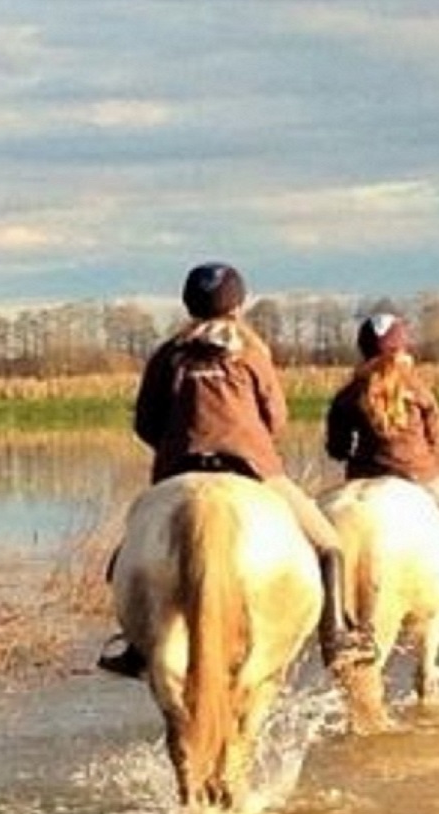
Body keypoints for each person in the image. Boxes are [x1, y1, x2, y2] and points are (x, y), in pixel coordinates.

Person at [98, 262, 375, 679]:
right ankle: (336, 637)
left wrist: (178, 450)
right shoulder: (252, 352)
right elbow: (276, 418)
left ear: (188, 304)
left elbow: (145, 423)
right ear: (238, 305)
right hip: (253, 471)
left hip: (180, 471)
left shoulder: (167, 354)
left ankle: (138, 647)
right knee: (329, 546)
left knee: (123, 558)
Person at [324, 311, 439, 570]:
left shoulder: (349, 393)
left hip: (364, 475)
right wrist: (425, 454)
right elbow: (436, 433)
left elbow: (337, 446)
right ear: (401, 347)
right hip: (416, 473)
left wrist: (349, 454)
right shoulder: (416, 386)